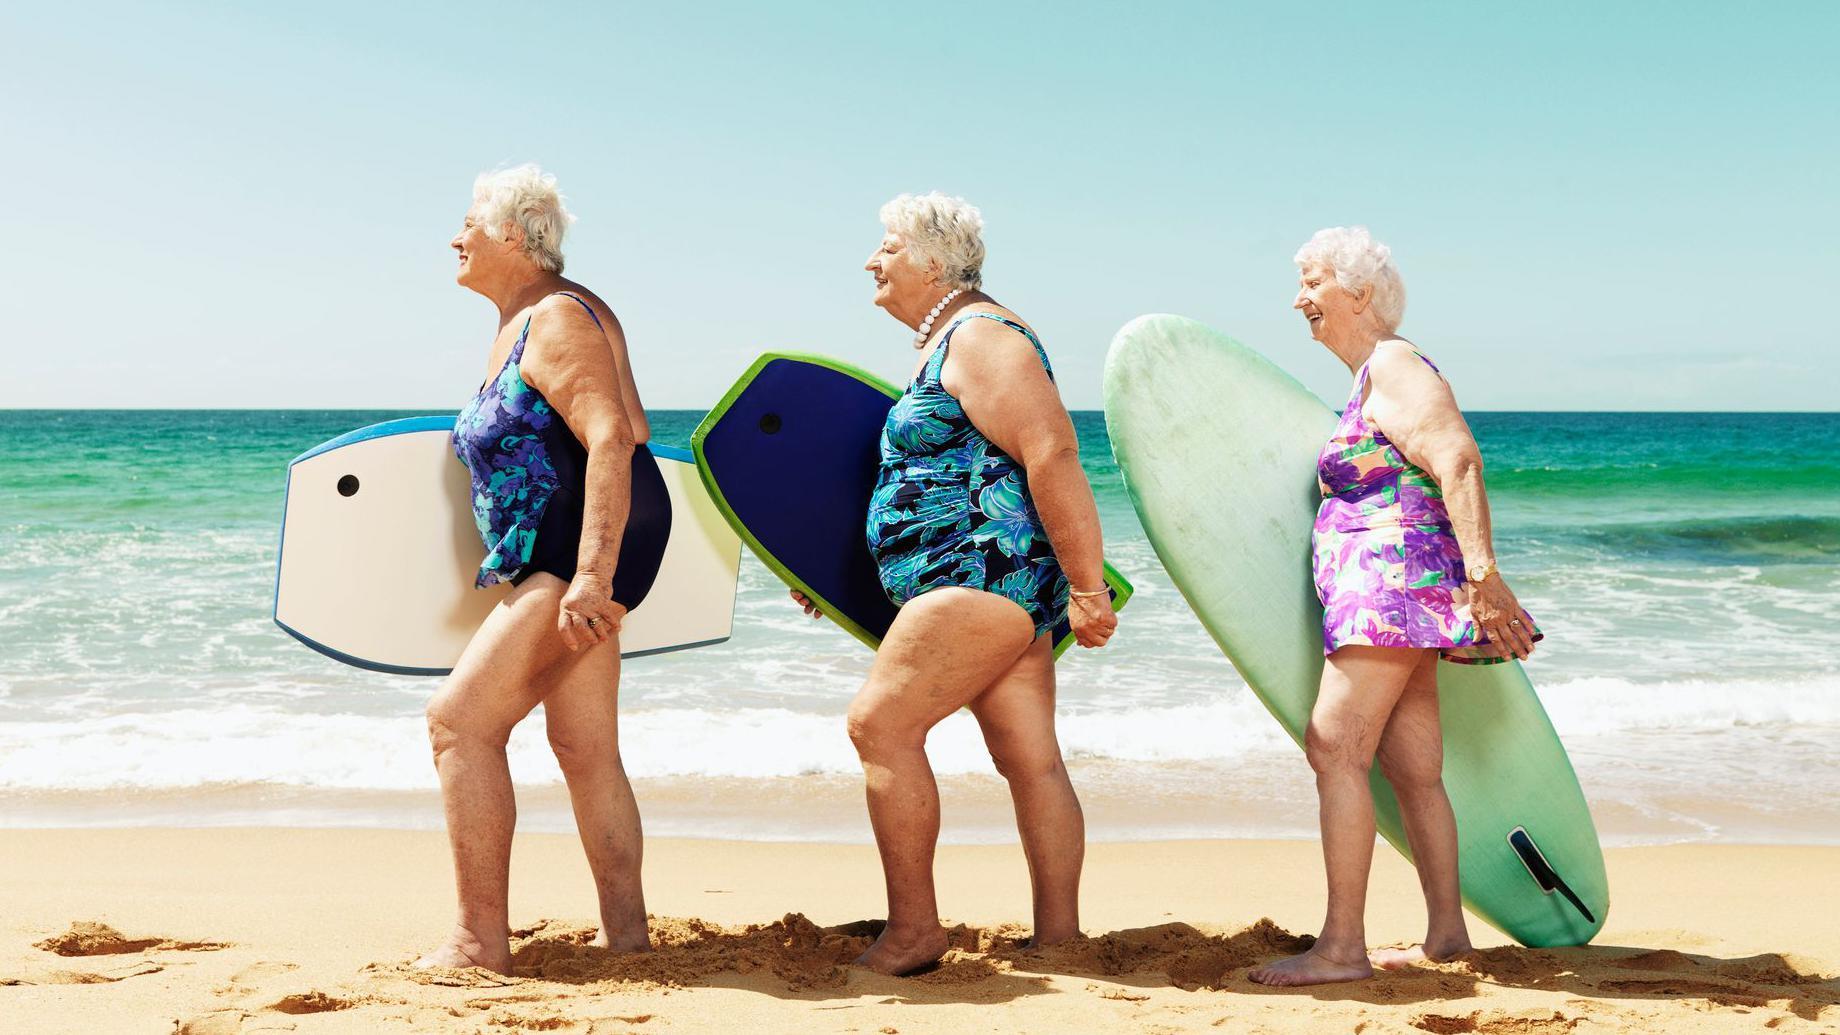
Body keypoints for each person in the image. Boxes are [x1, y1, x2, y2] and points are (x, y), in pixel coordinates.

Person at [791, 191, 1118, 975]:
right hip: (986, 584)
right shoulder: (949, 339)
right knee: (1030, 757)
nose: (873, 259)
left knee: (880, 726)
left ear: (935, 260)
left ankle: (913, 931)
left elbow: (1053, 455)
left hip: (978, 578)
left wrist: (1088, 586)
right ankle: (1060, 938)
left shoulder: (981, 337)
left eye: (888, 246)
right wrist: (830, 572)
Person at [1248, 226, 1541, 987]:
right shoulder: (1369, 378)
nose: (1298, 297)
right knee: (1414, 769)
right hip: (1395, 594)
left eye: (1311, 281)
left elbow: (1458, 456)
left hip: (1391, 590)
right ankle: (1448, 937)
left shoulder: (1394, 362)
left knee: (1334, 746)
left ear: (1359, 291)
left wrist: (1483, 572)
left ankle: (1342, 946)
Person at [419, 165, 670, 973]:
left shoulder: (556, 317)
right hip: (573, 547)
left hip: (577, 550)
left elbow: (612, 437)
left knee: (460, 723)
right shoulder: (526, 317)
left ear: (519, 237)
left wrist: (592, 575)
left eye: (470, 223)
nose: (455, 237)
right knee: (584, 743)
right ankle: (626, 934)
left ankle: (476, 939)